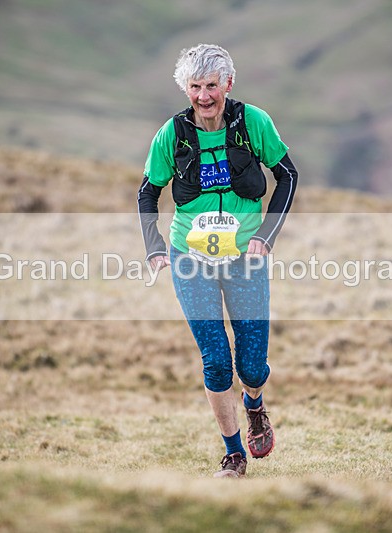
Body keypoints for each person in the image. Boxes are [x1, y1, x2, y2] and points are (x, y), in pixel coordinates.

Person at [137, 43, 298, 478]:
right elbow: (148, 193)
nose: (204, 95)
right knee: (216, 360)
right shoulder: (172, 135)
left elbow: (287, 175)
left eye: (211, 85)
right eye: (195, 86)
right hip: (190, 258)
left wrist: (266, 236)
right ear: (185, 88)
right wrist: (154, 247)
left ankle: (256, 405)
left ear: (228, 83)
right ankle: (232, 453)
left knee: (250, 365)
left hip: (245, 256)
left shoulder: (253, 123)